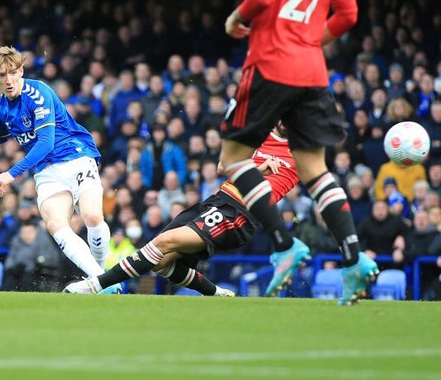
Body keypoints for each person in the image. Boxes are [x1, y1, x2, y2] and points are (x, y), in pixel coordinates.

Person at [218, 0, 378, 305]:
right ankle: (355, 259)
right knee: (314, 169)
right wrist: (312, 41)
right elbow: (348, 16)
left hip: (269, 64)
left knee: (231, 159)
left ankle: (284, 246)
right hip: (312, 71)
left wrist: (236, 18)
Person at [0, 46, 119, 293]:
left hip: (75, 154)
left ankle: (101, 279)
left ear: (21, 71)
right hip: (47, 169)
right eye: (2, 75)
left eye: (13, 73)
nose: (9, 80)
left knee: (91, 216)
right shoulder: (1, 107)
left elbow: (45, 142)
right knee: (56, 225)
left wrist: (11, 173)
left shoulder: (39, 93)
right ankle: (104, 283)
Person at [65, 125, 304, 297]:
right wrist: (254, 163)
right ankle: (216, 293)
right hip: (216, 200)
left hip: (239, 213)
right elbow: (222, 165)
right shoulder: (259, 135)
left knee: (164, 241)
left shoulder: (298, 156)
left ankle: (94, 286)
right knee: (161, 263)